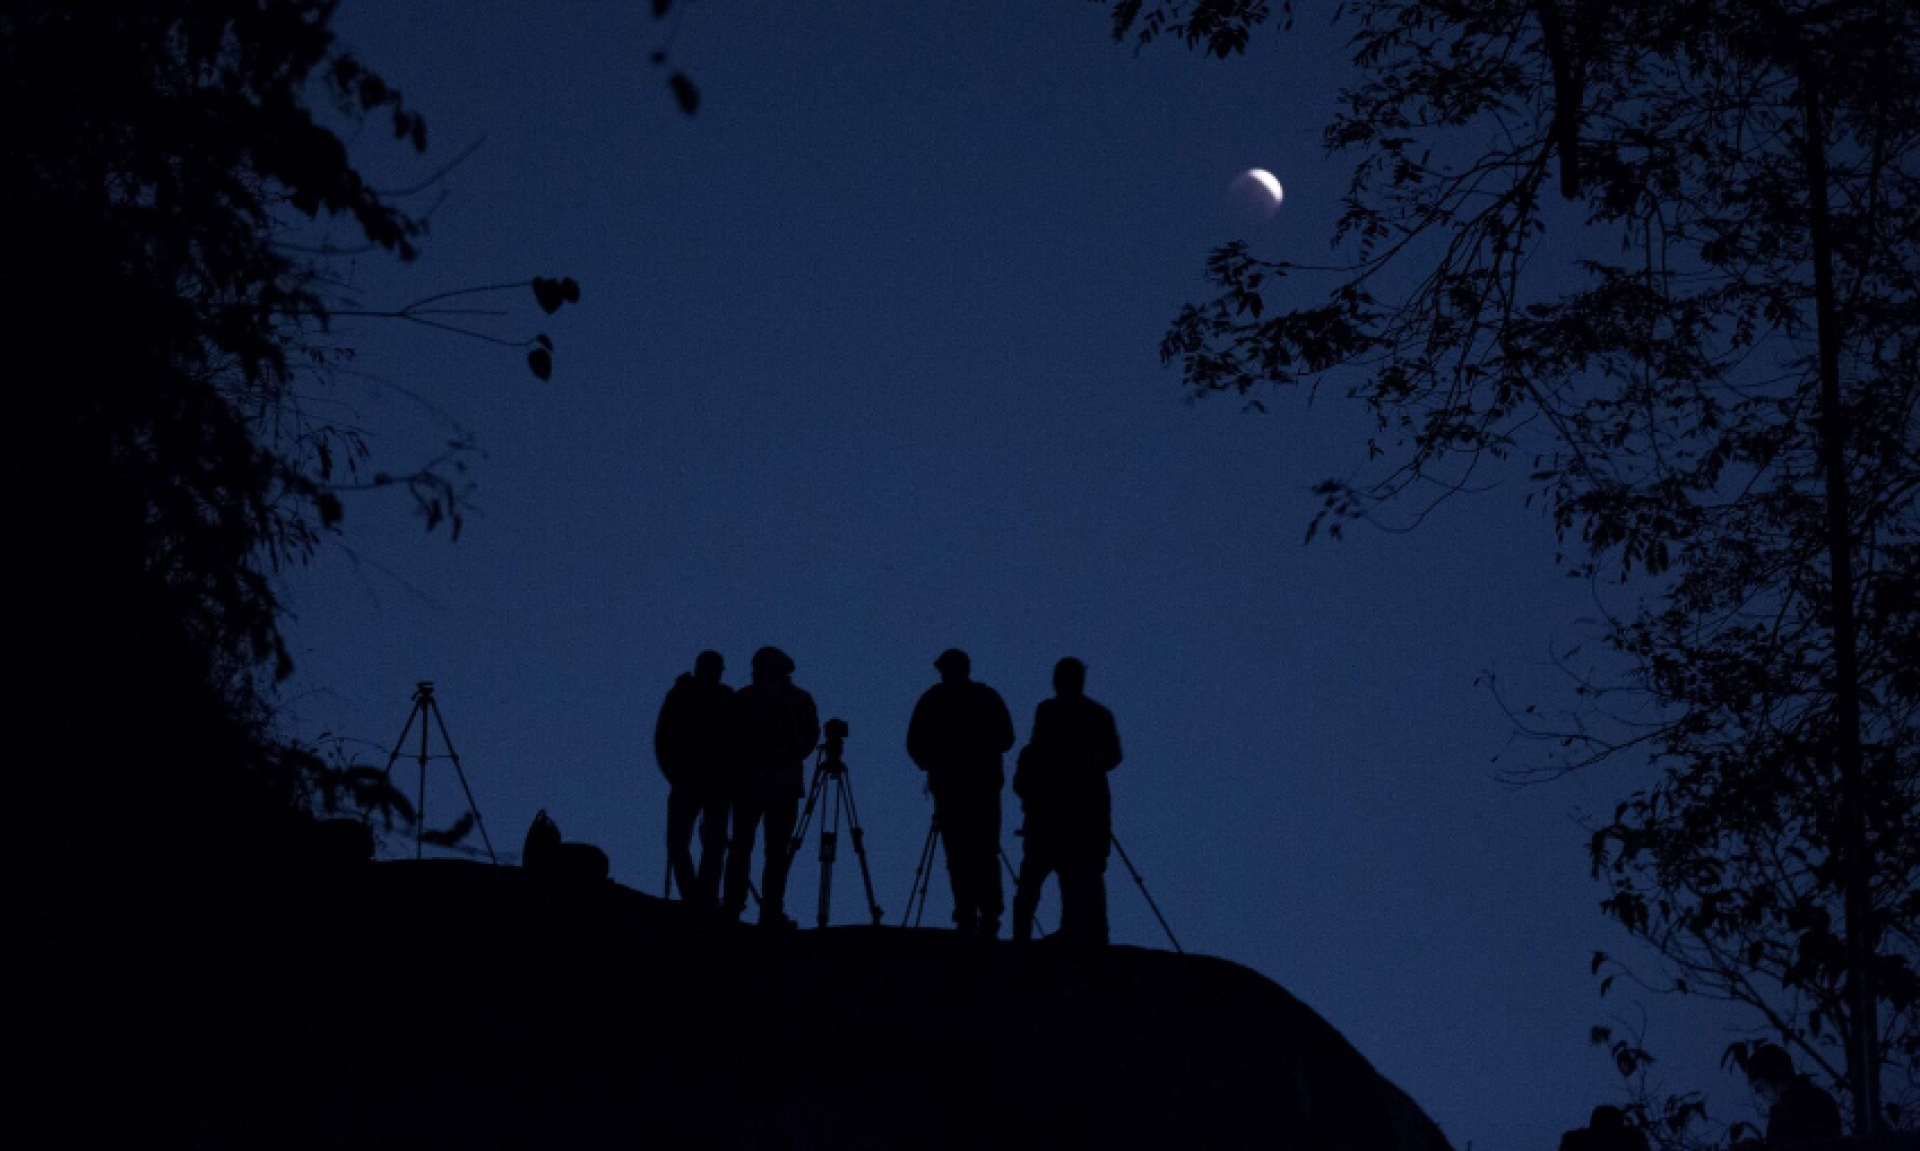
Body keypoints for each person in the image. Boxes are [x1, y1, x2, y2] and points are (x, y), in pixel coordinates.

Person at [1011, 657, 1123, 945]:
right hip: (1074, 810)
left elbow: (1110, 756)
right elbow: (1112, 756)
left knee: (1055, 875)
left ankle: (1068, 933)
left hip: (1062, 810)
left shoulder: (1052, 712)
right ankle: (1088, 934)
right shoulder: (1093, 714)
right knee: (1076, 875)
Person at [906, 648, 1016, 937]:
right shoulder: (982, 697)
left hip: (967, 788)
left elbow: (1006, 737)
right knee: (973, 851)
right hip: (971, 788)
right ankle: (980, 913)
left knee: (966, 852)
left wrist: (938, 760)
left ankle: (977, 913)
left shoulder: (936, 700)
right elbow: (1006, 737)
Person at [723, 646, 820, 928]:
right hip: (775, 783)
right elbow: (809, 738)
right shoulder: (798, 699)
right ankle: (764, 909)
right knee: (770, 850)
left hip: (757, 783)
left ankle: (737, 905)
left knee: (750, 847)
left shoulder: (746, 698)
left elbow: (730, 739)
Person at [653, 650, 735, 908]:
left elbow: (738, 741)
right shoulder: (683, 695)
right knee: (683, 841)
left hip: (713, 782)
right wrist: (675, 775)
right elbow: (664, 739)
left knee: (712, 842)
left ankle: (704, 895)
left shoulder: (722, 698)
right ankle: (697, 895)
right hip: (690, 780)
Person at [1743, 1043, 1842, 1149]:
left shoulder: (1814, 1105)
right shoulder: (1781, 1111)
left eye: (1760, 1087)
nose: (1759, 1094)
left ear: (1776, 1077)